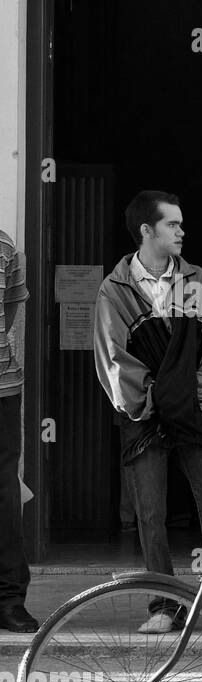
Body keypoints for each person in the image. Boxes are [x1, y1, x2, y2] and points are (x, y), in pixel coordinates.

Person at [92, 190, 202, 634]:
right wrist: (152, 401)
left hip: (196, 410)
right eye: (172, 224)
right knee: (150, 510)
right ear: (147, 231)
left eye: (181, 224)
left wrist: (197, 398)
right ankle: (164, 605)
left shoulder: (200, 282)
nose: (182, 231)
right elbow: (113, 357)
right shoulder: (115, 289)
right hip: (143, 414)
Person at [0, 227, 38, 633]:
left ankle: (10, 599)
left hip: (2, 388)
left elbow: (9, 312)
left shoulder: (6, 245)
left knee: (6, 497)